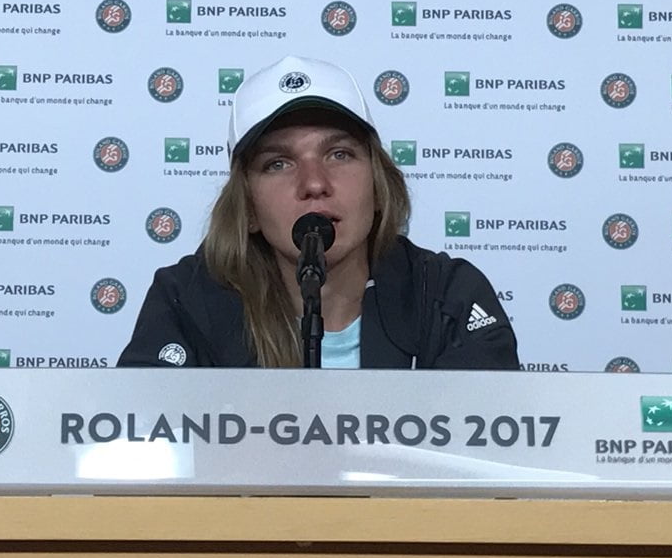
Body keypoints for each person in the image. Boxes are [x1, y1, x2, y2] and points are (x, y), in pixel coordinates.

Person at [117, 55, 518, 369]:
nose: (314, 183)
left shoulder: (445, 295)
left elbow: (491, 440)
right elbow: (143, 438)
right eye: (278, 163)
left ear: (378, 186)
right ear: (248, 208)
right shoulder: (187, 301)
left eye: (339, 154)